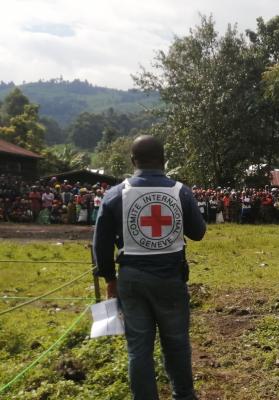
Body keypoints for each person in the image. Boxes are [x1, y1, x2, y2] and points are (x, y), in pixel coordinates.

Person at [93, 135, 206, 400]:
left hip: (131, 281)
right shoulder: (181, 191)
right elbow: (198, 232)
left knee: (138, 349)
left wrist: (110, 280)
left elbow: (100, 244)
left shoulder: (114, 194)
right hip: (171, 279)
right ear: (164, 160)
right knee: (177, 343)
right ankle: (185, 396)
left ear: (133, 161)